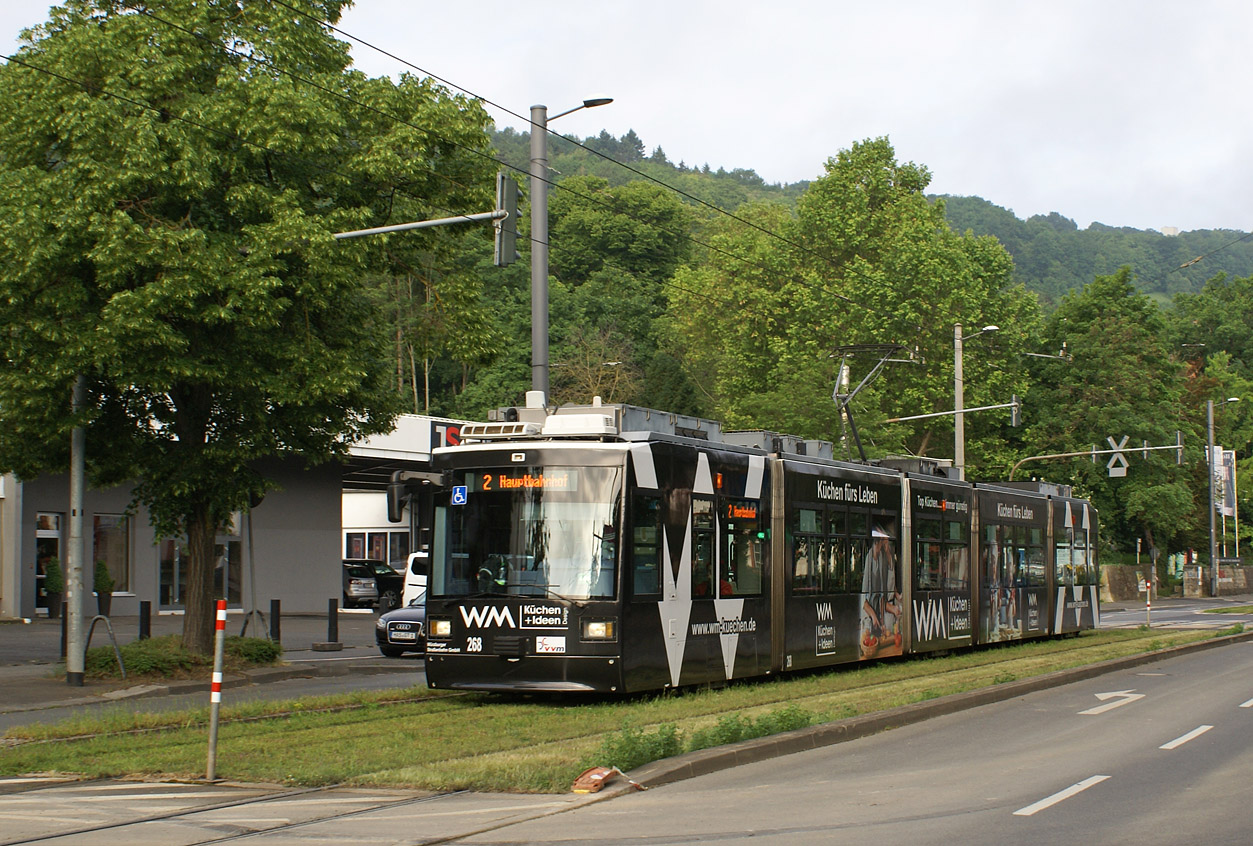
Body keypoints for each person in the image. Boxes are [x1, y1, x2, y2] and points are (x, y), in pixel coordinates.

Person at [860, 526, 901, 657]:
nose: (884, 545)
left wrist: (882, 621)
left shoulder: (884, 557)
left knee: (889, 628)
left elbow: (888, 584)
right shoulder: (869, 559)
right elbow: (865, 601)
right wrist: (874, 616)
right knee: (868, 630)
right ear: (876, 543)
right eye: (882, 542)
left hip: (882, 608)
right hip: (870, 612)